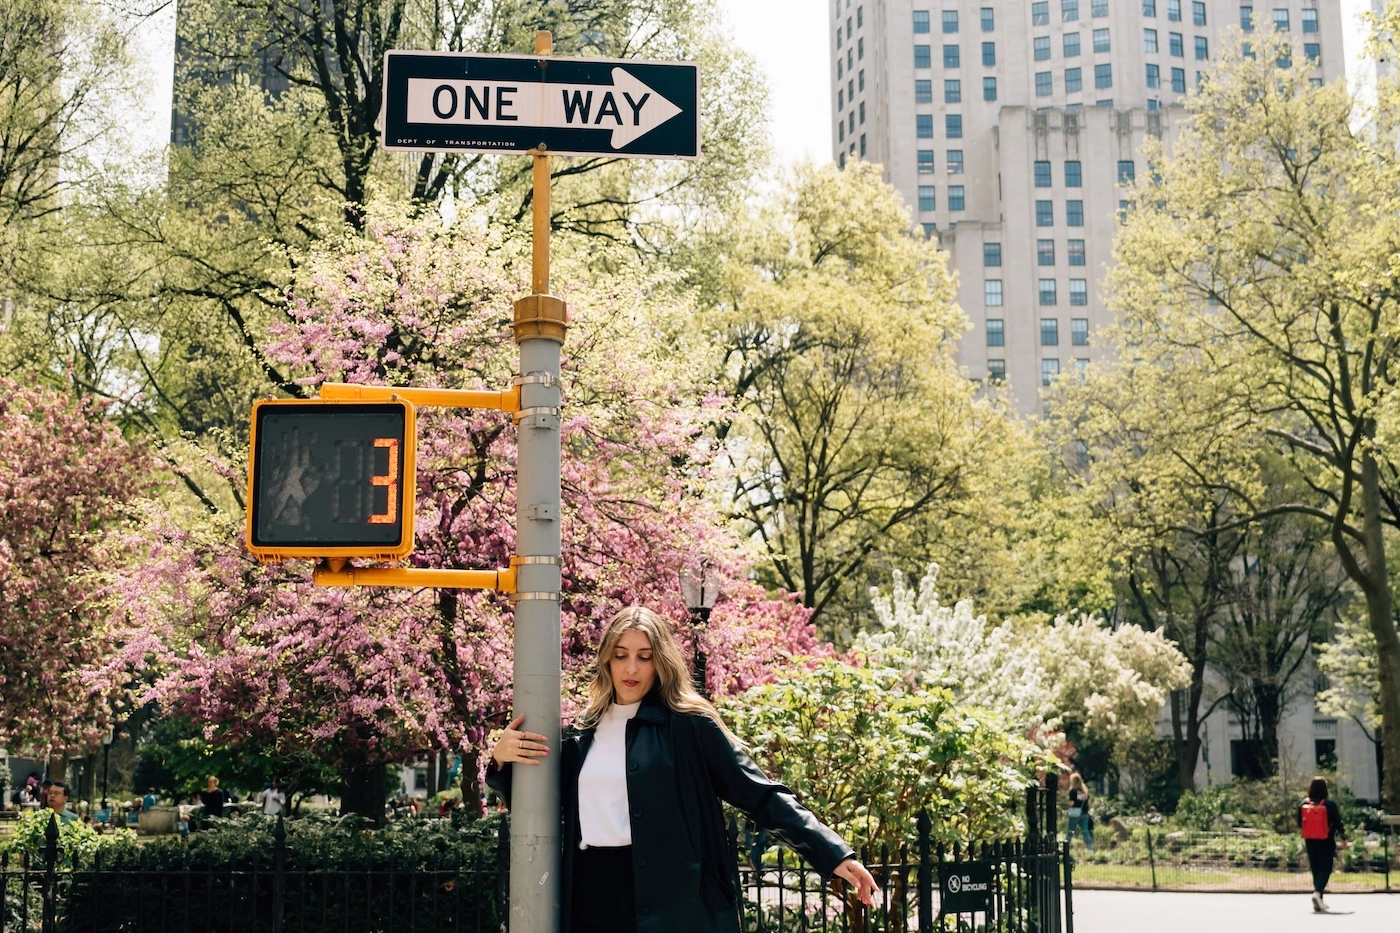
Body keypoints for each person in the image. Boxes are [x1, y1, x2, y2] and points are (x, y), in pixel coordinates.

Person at [487, 606, 878, 933]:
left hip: (672, 897)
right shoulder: (579, 733)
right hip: (591, 894)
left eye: (645, 656)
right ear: (607, 658)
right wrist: (502, 759)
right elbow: (539, 804)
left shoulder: (689, 726)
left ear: (661, 661)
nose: (631, 667)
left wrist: (831, 852)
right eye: (621, 654)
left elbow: (759, 794)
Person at [1298, 776, 1348, 913]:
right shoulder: (1329, 804)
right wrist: (1343, 837)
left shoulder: (1304, 803)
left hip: (1310, 840)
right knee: (1325, 868)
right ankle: (1317, 893)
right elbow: (1338, 822)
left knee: (1315, 868)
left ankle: (1319, 898)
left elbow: (1299, 823)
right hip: (1326, 840)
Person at [1066, 773, 1093, 851]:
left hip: (1074, 814)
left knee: (1070, 832)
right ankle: (1090, 849)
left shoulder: (1073, 791)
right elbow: (1088, 803)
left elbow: (1072, 803)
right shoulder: (1084, 791)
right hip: (1084, 813)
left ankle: (1065, 848)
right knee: (1085, 831)